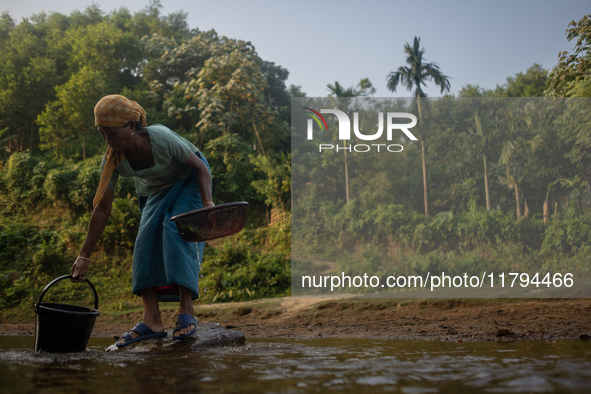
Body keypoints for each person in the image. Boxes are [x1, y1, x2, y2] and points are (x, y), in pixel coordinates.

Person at [70, 94, 213, 347]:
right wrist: (84, 256)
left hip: (189, 178)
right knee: (144, 243)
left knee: (175, 228)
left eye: (113, 133)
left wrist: (208, 205)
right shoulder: (113, 160)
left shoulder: (161, 137)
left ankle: (186, 310)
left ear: (132, 126)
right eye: (103, 134)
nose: (108, 140)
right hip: (156, 189)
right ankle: (152, 320)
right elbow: (102, 209)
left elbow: (200, 167)